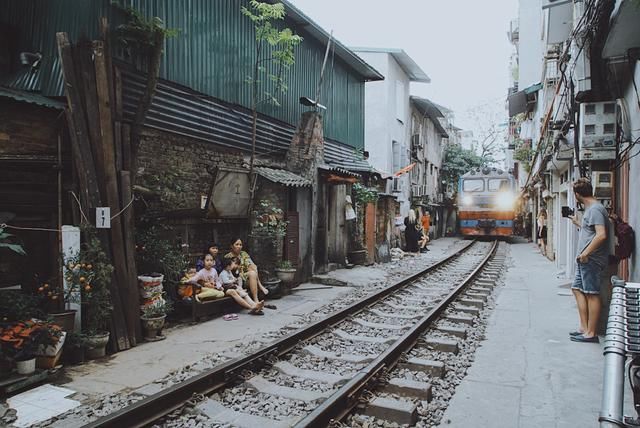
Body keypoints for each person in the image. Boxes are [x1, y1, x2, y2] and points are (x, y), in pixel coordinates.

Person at [567, 177, 610, 343]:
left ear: (577, 194)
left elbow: (601, 235)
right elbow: (592, 232)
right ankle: (584, 328)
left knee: (592, 294)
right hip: (584, 260)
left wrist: (586, 253)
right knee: (577, 289)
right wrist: (579, 223)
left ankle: (591, 333)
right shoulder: (591, 209)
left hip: (591, 259)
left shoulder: (595, 210)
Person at [224, 238, 275, 308]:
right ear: (232, 246)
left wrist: (252, 267)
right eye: (237, 244)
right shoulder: (228, 257)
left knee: (253, 270)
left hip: (246, 277)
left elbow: (252, 265)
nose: (239, 246)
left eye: (240, 245)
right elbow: (227, 271)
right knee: (252, 272)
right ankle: (260, 287)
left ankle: (256, 300)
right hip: (236, 279)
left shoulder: (244, 254)